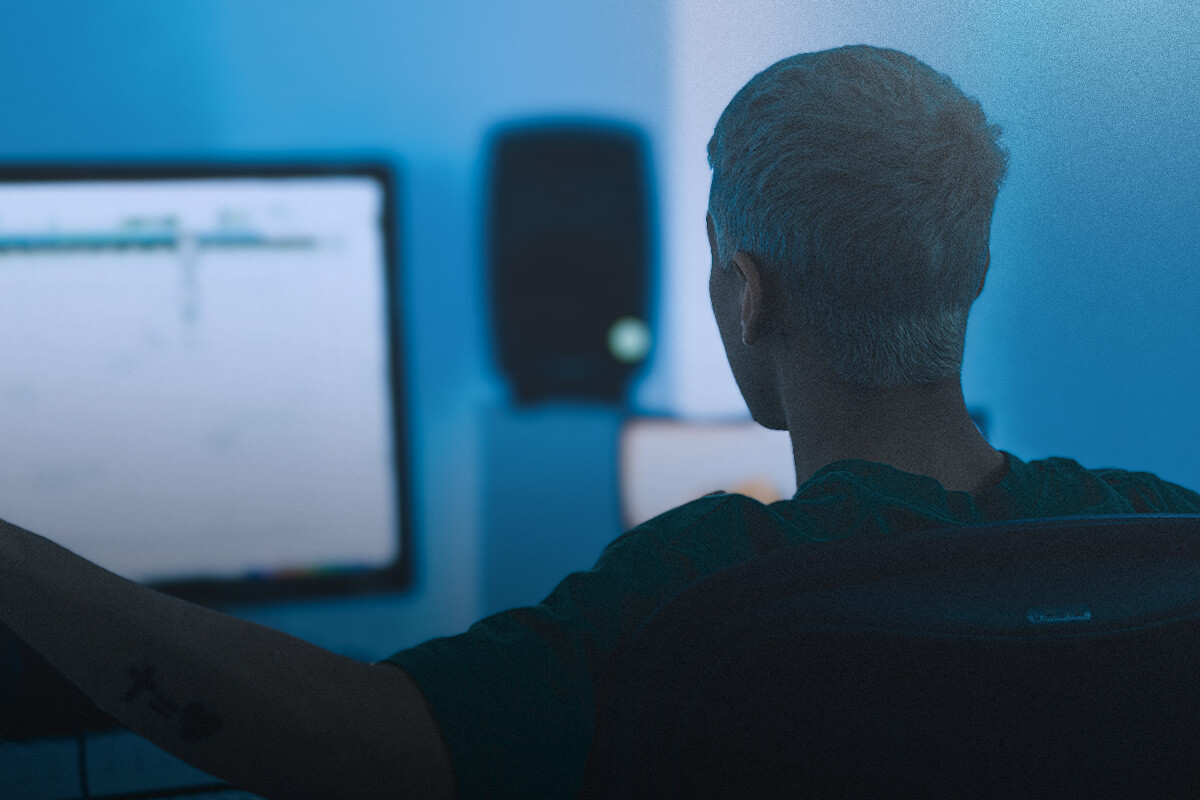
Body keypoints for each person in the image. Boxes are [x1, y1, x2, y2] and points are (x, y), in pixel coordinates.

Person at [2, 43, 1198, 800]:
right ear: (974, 271)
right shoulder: (1160, 539)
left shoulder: (712, 588)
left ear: (749, 290)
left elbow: (366, 748)